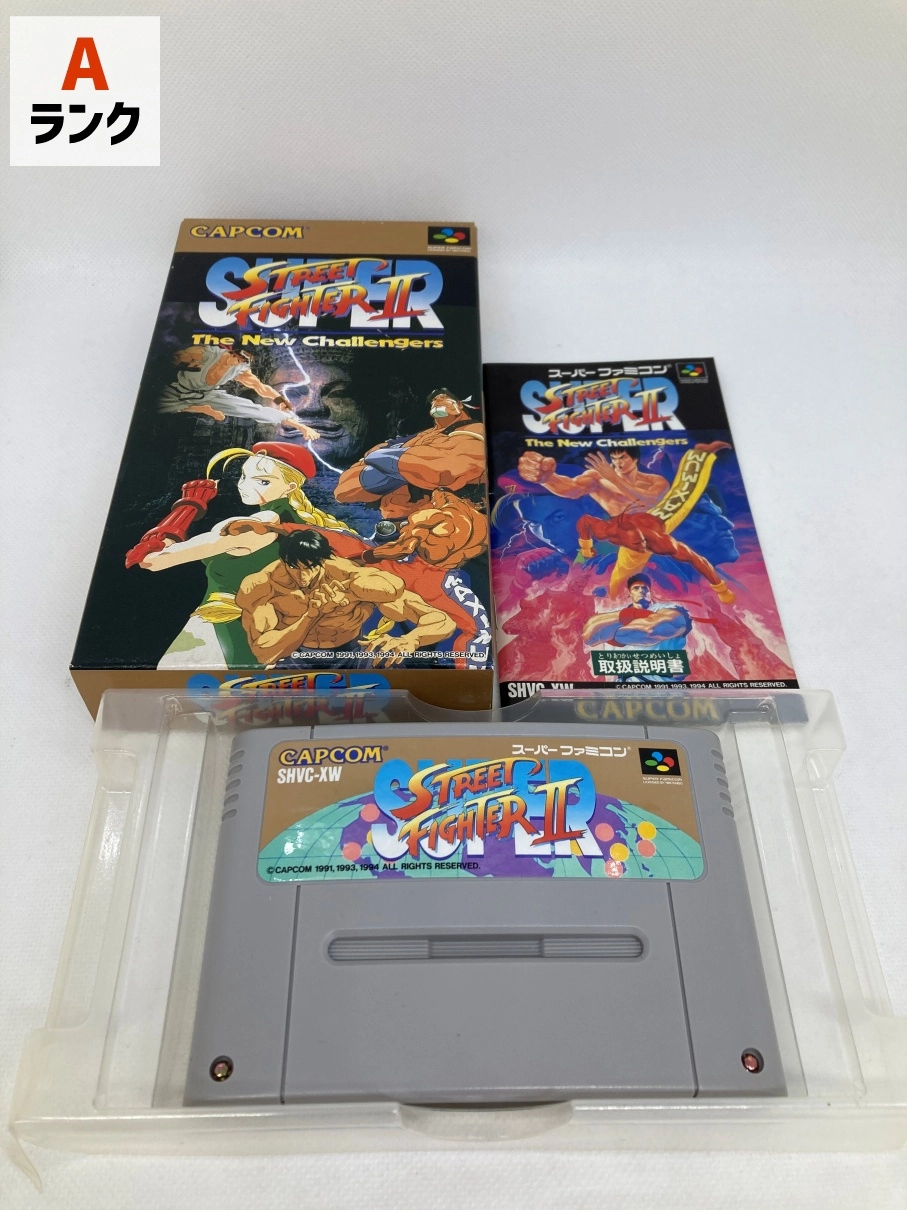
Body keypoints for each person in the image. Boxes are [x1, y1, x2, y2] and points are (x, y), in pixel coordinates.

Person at [127, 442, 350, 668]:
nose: (244, 485)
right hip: (268, 638)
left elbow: (153, 560)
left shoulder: (258, 525)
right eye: (244, 476)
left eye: (262, 481)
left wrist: (188, 506)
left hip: (220, 630)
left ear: (290, 486)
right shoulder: (301, 525)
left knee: (173, 680)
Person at [518, 442, 736, 601]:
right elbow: (572, 489)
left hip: (661, 518)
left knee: (686, 493)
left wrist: (722, 589)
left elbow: (652, 501)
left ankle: (701, 454)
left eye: (623, 458)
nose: (618, 464)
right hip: (626, 531)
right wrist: (547, 479)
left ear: (635, 459)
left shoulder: (654, 482)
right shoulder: (599, 483)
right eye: (615, 459)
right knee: (617, 581)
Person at [235, 529, 456, 665]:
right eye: (294, 567)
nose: (302, 577)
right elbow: (264, 653)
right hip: (295, 658)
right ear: (284, 561)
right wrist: (312, 614)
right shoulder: (264, 586)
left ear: (323, 560)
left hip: (354, 655)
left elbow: (442, 621)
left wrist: (411, 639)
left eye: (310, 567)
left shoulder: (355, 580)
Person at [335, 388, 485, 503]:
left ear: (459, 404)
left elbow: (446, 469)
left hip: (447, 514)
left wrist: (386, 460)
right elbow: (345, 489)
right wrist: (398, 464)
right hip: (402, 515)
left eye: (443, 398)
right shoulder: (421, 436)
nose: (437, 402)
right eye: (434, 400)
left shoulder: (474, 430)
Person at [159, 345, 319, 438]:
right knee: (163, 406)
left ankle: (300, 427)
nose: (236, 362)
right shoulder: (205, 354)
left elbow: (260, 387)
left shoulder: (240, 369)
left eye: (242, 361)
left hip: (206, 395)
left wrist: (280, 401)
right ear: (230, 352)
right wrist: (186, 366)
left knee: (248, 408)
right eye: (236, 357)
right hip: (175, 392)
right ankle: (198, 409)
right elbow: (170, 359)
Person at [583, 574, 692, 683]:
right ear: (630, 594)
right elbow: (590, 636)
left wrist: (610, 632)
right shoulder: (618, 612)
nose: (641, 591)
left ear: (650, 592)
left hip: (661, 683)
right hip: (623, 685)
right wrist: (630, 615)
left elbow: (650, 630)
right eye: (636, 588)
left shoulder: (668, 609)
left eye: (645, 588)